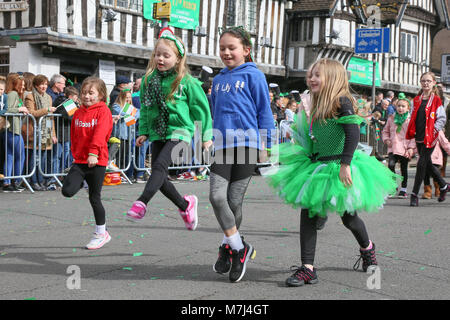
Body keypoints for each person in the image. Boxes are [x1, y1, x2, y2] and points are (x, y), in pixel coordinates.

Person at [262, 58, 399, 287]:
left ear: (333, 78)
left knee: (349, 218)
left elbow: (353, 132)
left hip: (339, 166)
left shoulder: (341, 101)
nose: (312, 78)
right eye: (311, 74)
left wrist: (345, 164)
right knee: (308, 214)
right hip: (317, 166)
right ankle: (308, 268)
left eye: (318, 75)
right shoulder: (313, 103)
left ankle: (368, 249)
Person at [126, 29, 213, 232]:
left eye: (166, 55)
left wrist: (206, 136)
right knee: (161, 178)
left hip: (180, 132)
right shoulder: (149, 80)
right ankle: (186, 205)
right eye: (158, 54)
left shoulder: (187, 82)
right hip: (158, 132)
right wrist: (144, 131)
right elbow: (146, 108)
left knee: (159, 168)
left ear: (178, 58)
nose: (161, 59)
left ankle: (142, 202)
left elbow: (201, 110)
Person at [209, 26, 275, 283]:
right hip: (222, 146)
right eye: (222, 48)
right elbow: (214, 112)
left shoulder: (254, 76)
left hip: (247, 146)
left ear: (246, 50)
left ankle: (228, 247)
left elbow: (264, 112)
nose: (226, 52)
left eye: (231, 48)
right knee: (216, 197)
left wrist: (265, 145)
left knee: (234, 202)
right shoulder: (217, 80)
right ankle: (239, 247)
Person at [61, 77, 113, 250]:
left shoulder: (103, 111)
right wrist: (76, 154)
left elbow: (100, 134)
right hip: (80, 160)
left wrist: (93, 153)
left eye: (91, 93)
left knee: (95, 198)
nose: (87, 96)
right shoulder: (77, 112)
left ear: (100, 95)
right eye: (84, 93)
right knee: (67, 191)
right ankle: (84, 183)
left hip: (97, 160)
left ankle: (101, 233)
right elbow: (75, 135)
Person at [407, 72, 449, 206]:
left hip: (430, 138)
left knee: (421, 163)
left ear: (433, 83)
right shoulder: (416, 100)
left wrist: (434, 130)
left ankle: (414, 194)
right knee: (428, 164)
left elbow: (441, 118)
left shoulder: (436, 100)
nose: (425, 83)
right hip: (418, 136)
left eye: (428, 81)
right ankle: (443, 185)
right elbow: (413, 117)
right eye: (423, 81)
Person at [23, 74, 58, 191]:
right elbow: (31, 113)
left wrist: (53, 134)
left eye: (46, 84)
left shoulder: (48, 97)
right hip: (34, 131)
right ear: (36, 85)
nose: (44, 86)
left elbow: (50, 118)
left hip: (46, 132)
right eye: (41, 84)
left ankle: (41, 180)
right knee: (34, 157)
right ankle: (33, 181)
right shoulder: (30, 96)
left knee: (42, 158)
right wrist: (46, 110)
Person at [382, 95, 415, 198]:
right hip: (393, 147)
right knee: (391, 165)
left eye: (403, 106)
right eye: (399, 106)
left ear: (408, 108)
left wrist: (410, 148)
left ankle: (404, 189)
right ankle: (393, 186)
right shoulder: (391, 118)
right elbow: (385, 131)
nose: (400, 108)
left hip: (405, 148)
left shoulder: (410, 120)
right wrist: (386, 139)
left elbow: (413, 136)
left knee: (403, 169)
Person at [3, 74, 29, 192]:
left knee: (10, 156)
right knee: (19, 156)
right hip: (13, 130)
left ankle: (8, 182)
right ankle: (16, 181)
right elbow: (7, 110)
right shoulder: (13, 94)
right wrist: (20, 109)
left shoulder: (11, 94)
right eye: (22, 84)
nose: (23, 86)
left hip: (11, 130)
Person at [53, 86, 80, 172]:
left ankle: (62, 173)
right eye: (76, 96)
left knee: (65, 155)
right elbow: (72, 117)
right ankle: (56, 176)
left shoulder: (69, 103)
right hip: (60, 133)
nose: (77, 98)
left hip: (66, 134)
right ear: (71, 96)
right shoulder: (63, 102)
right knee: (58, 156)